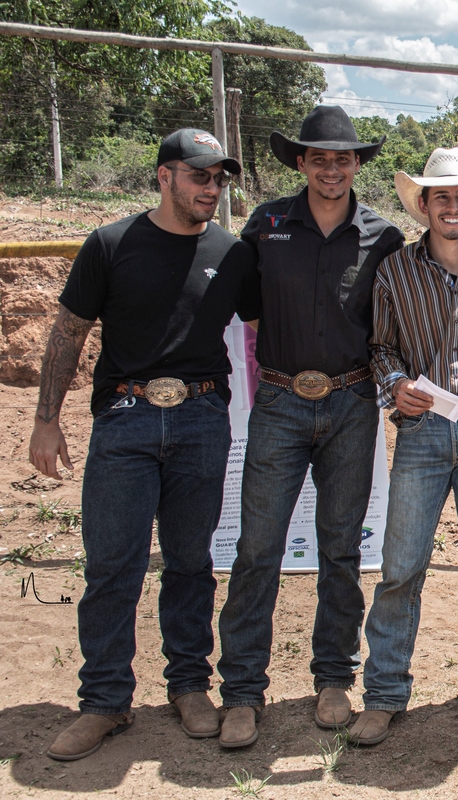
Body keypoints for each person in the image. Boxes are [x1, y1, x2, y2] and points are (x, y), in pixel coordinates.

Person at [28, 129, 259, 760]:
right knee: (112, 566)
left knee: (190, 563)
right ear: (164, 176)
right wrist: (46, 420)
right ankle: (104, 701)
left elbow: (263, 330)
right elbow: (69, 331)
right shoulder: (110, 244)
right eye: (199, 176)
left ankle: (189, 686)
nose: (212, 189)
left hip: (202, 419)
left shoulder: (232, 254)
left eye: (219, 179)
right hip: (124, 420)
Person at [216, 106, 404, 749]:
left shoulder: (383, 236)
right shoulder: (266, 225)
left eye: (342, 159)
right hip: (279, 402)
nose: (331, 169)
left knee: (341, 548)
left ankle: (334, 678)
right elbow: (245, 307)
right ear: (300, 162)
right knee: (257, 548)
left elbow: (392, 320)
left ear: (357, 165)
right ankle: (242, 690)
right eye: (319, 158)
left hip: (351, 403)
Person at [347, 149, 458, 745]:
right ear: (423, 205)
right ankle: (384, 691)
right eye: (441, 197)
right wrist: (395, 384)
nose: (453, 206)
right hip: (422, 429)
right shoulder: (394, 270)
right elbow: (380, 347)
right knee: (401, 564)